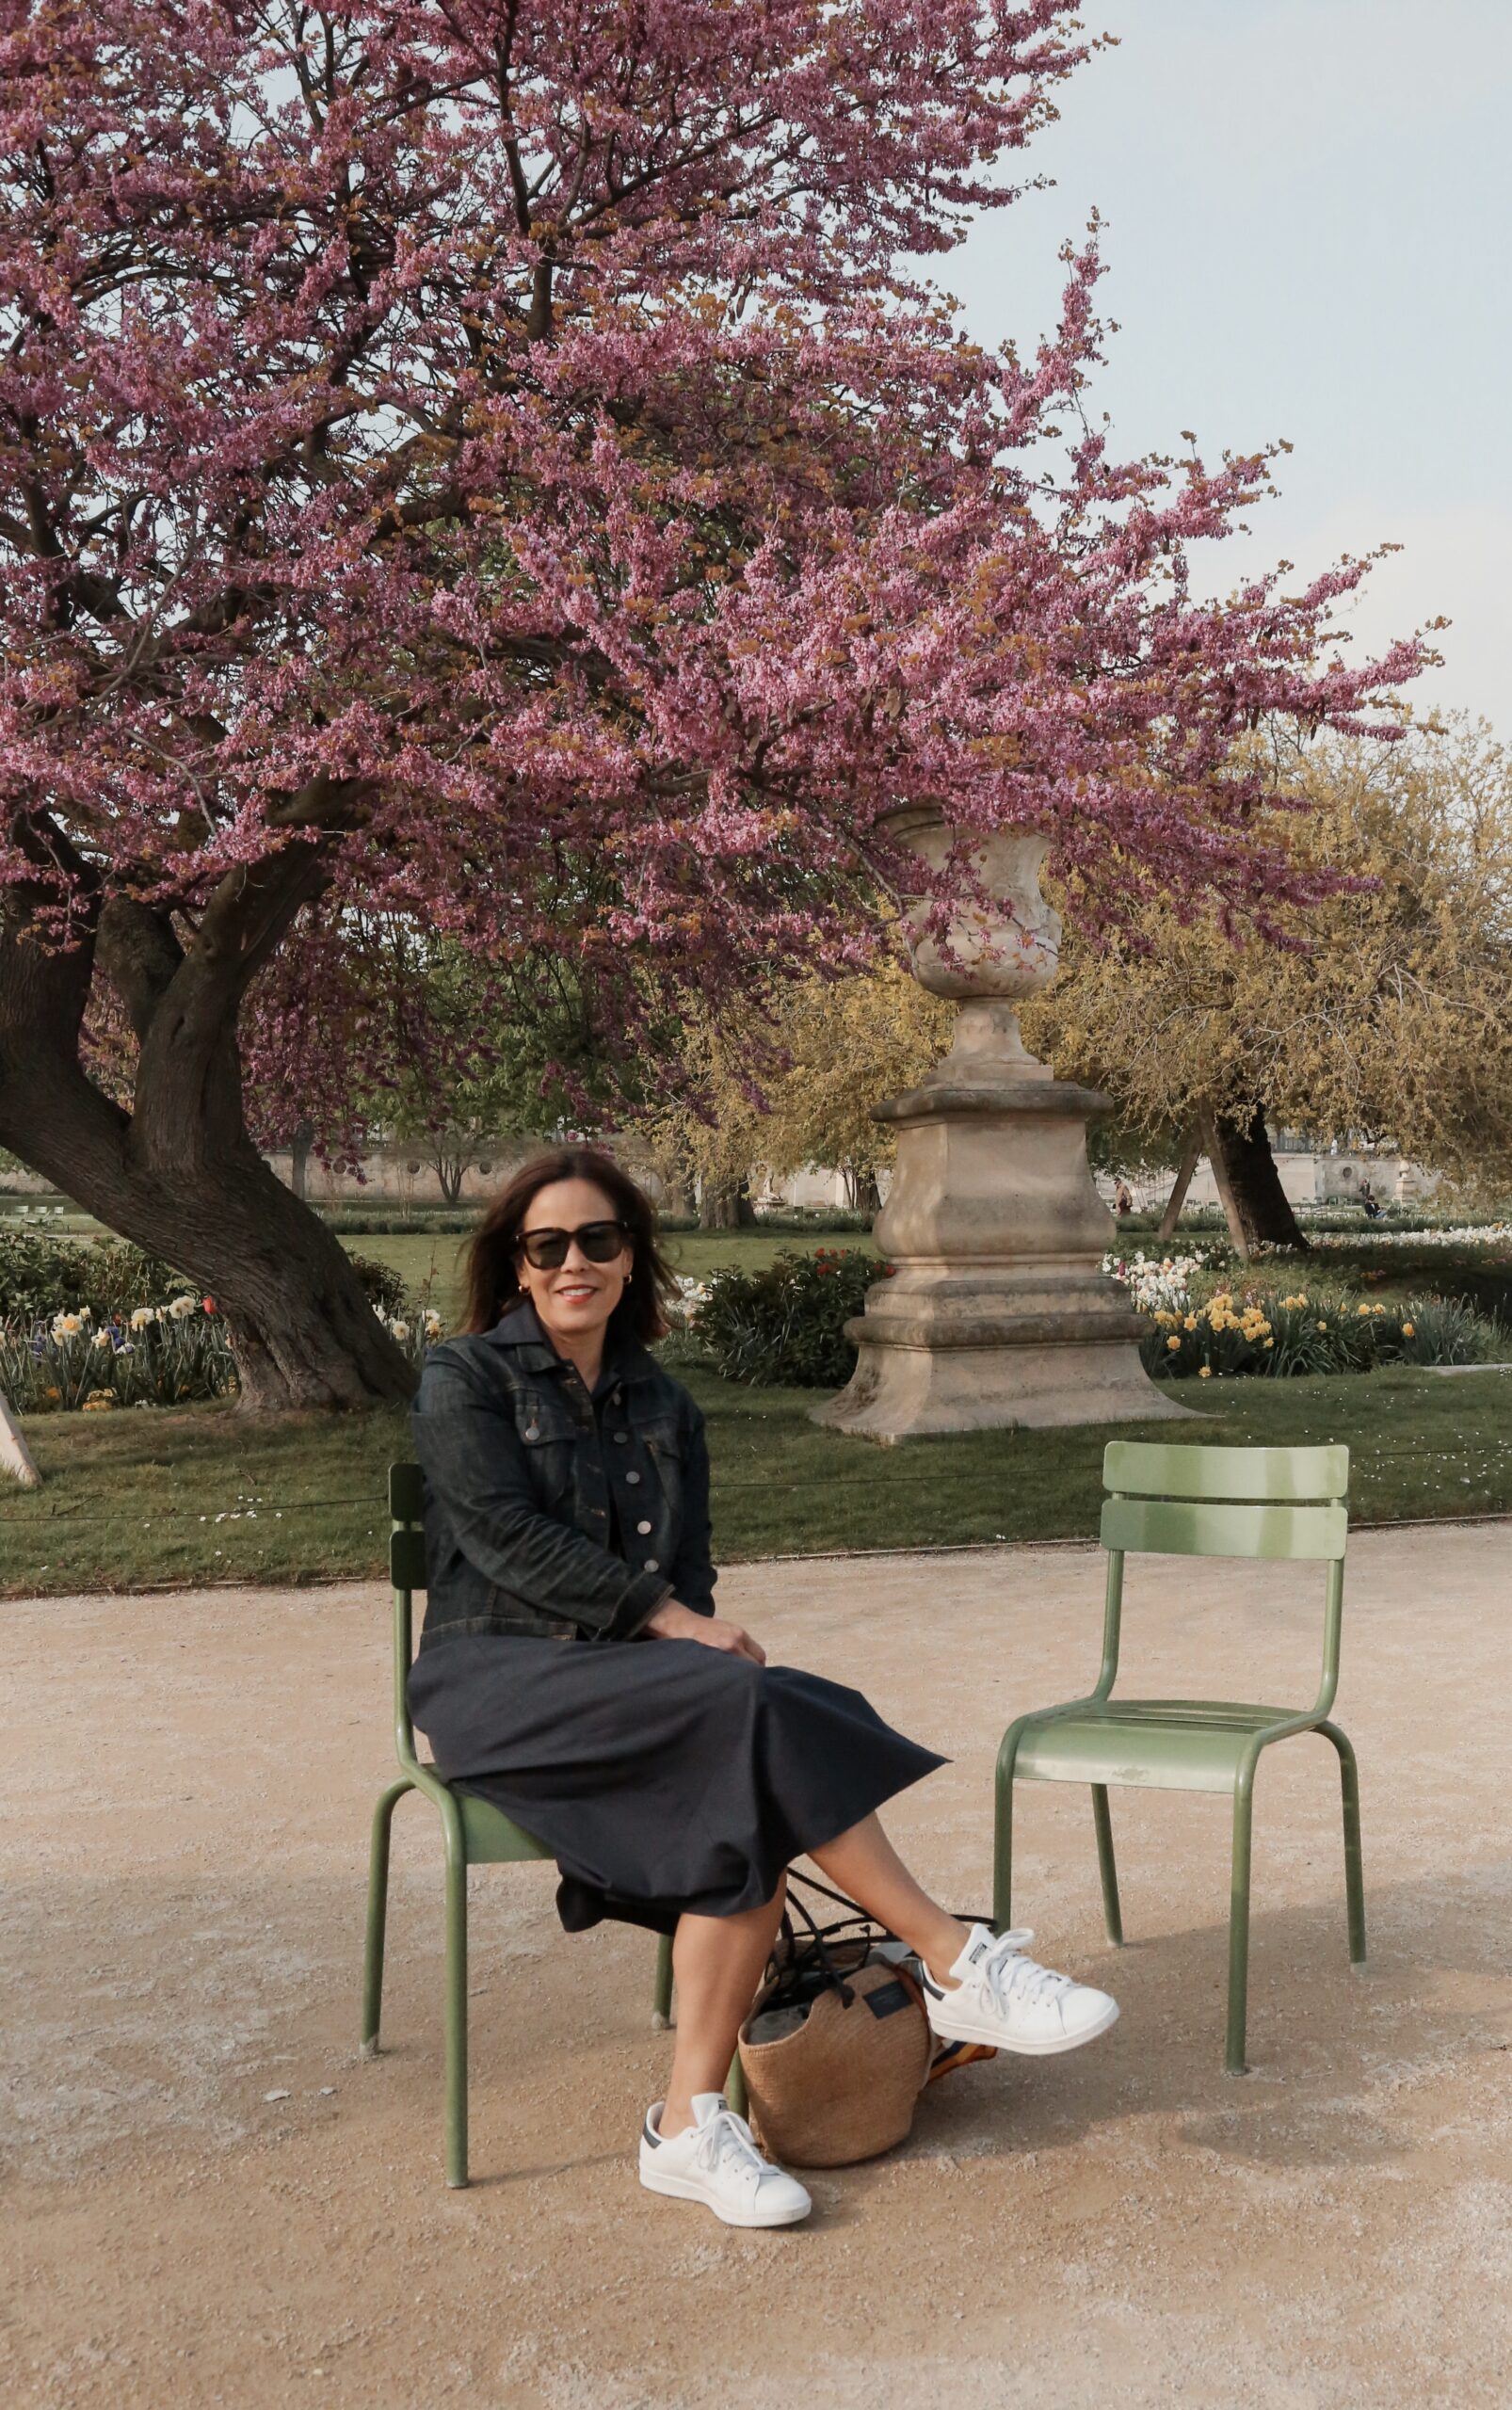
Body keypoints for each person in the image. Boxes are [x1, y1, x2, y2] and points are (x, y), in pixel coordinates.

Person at [410, 1146, 1118, 2230]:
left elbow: (687, 1568)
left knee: (740, 1809)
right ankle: (952, 1958)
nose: (573, 1263)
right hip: (496, 1680)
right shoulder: (466, 1378)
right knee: (755, 1703)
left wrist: (677, 1625)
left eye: (597, 1239)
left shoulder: (666, 1404)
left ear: (629, 1251)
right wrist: (671, 1625)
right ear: (516, 1264)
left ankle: (688, 2126)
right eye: (546, 1246)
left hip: (628, 1689)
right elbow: (504, 1537)